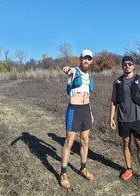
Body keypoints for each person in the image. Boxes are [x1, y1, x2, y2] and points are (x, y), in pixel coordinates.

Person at [109, 56, 140, 186]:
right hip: (123, 119)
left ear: (133, 65)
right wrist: (111, 117)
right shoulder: (117, 82)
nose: (127, 66)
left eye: (130, 64)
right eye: (125, 64)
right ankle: (128, 169)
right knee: (125, 143)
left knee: (139, 145)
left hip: (138, 118)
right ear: (122, 66)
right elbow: (113, 101)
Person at [60, 49, 95, 189]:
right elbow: (68, 71)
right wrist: (67, 69)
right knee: (69, 142)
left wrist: (90, 112)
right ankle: (63, 173)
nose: (86, 60)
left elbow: (87, 96)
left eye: (89, 58)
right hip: (74, 110)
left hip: (86, 110)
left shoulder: (89, 76)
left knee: (85, 140)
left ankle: (83, 168)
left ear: (91, 61)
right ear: (80, 59)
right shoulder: (74, 71)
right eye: (84, 58)